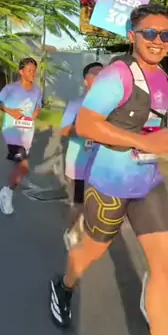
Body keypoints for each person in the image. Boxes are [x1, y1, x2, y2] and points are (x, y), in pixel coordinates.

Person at [50, 3, 168, 335]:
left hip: (148, 183)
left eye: (166, 35)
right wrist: (144, 142)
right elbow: (86, 124)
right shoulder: (117, 75)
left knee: (165, 267)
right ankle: (64, 286)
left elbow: (153, 130)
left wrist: (165, 142)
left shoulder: (165, 79)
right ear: (132, 36)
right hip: (110, 182)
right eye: (150, 33)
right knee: (91, 251)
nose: (158, 41)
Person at [60, 62, 103, 250]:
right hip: (79, 163)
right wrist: (82, 128)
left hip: (101, 163)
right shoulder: (76, 104)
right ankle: (70, 231)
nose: (100, 78)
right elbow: (64, 130)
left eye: (103, 74)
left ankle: (85, 230)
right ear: (86, 81)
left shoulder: (111, 105)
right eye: (95, 74)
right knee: (78, 204)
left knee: (96, 203)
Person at [0, 57, 42, 215]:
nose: (33, 73)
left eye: (34, 70)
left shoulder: (37, 90)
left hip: (27, 132)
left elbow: (38, 105)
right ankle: (5, 193)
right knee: (23, 165)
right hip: (12, 131)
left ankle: (17, 180)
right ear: (21, 72)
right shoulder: (10, 89)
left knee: (20, 165)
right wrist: (10, 111)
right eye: (29, 70)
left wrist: (36, 111)